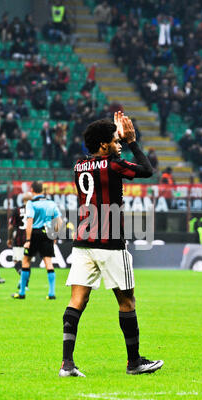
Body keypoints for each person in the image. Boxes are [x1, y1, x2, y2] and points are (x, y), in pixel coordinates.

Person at [59, 112, 163, 378]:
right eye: (116, 141)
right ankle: (134, 362)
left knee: (77, 301)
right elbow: (148, 171)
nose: (119, 145)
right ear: (104, 145)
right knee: (127, 301)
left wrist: (121, 143)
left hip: (83, 242)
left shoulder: (79, 165)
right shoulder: (113, 165)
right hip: (111, 243)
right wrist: (133, 142)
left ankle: (67, 364)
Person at [12, 181, 62, 300]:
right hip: (48, 233)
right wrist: (54, 235)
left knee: (26, 261)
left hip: (35, 233)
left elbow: (30, 221)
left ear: (32, 190)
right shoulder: (51, 203)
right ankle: (51, 293)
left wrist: (28, 240)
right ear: (43, 190)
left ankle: (22, 292)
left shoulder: (31, 203)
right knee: (48, 262)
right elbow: (59, 221)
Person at [7, 192, 32, 289]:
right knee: (27, 262)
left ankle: (22, 276)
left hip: (19, 239)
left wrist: (9, 238)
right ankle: (25, 285)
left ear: (22, 200)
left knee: (16, 262)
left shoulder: (17, 210)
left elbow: (11, 226)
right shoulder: (34, 210)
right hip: (30, 239)